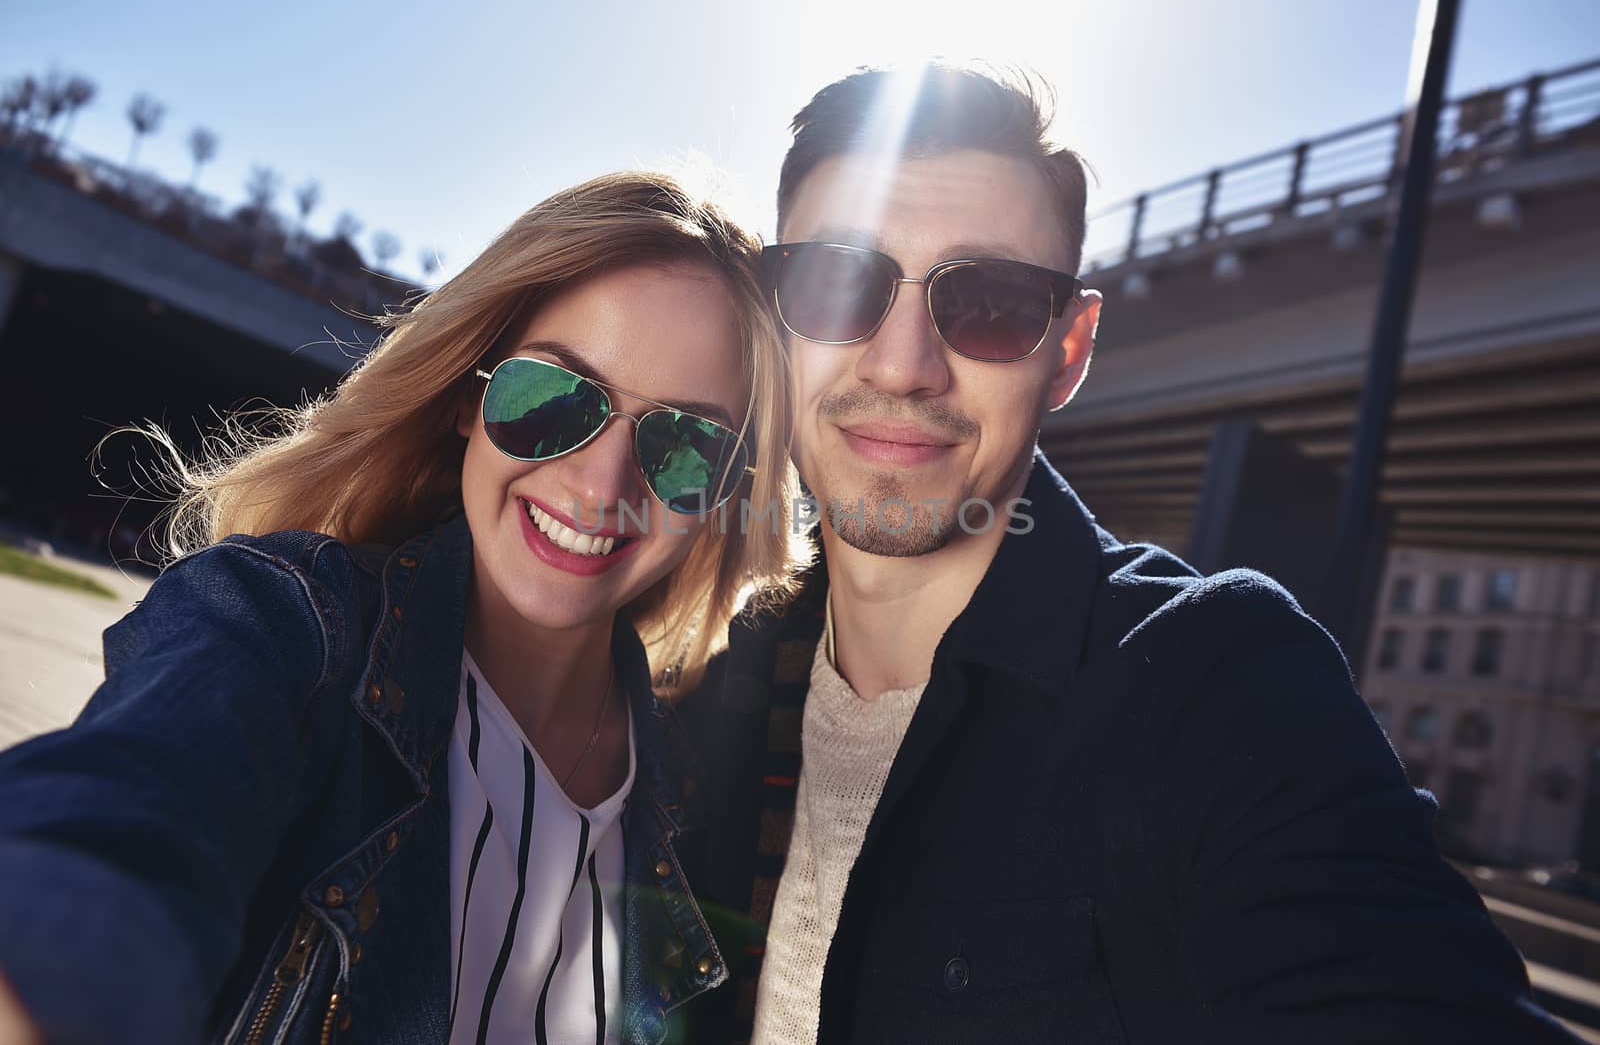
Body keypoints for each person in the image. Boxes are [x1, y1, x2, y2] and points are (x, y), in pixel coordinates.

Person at [675, 65, 1580, 1043]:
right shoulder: (711, 655)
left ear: (1068, 351)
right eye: (838, 281)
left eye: (989, 303)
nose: (902, 364)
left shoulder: (1213, 684)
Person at [0, 171, 803, 1044]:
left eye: (684, 445)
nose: (602, 484)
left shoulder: (699, 787)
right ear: (468, 394)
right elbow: (111, 839)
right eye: (555, 399)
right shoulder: (288, 627)